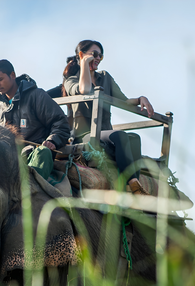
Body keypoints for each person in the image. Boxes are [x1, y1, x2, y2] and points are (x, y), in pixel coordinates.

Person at [62, 40, 154, 194]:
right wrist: (84, 64)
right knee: (120, 136)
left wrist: (140, 99)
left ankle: (134, 186)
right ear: (81, 55)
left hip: (105, 132)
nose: (98, 58)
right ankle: (132, 183)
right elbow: (84, 89)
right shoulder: (71, 80)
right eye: (94, 54)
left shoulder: (105, 77)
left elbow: (123, 101)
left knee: (134, 138)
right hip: (85, 135)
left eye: (101, 55)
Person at [0, 59, 70, 180]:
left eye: (0, 79)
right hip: (9, 159)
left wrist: (52, 141)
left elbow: (60, 122)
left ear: (12, 75)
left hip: (35, 154)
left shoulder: (36, 96)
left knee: (43, 153)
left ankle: (31, 186)